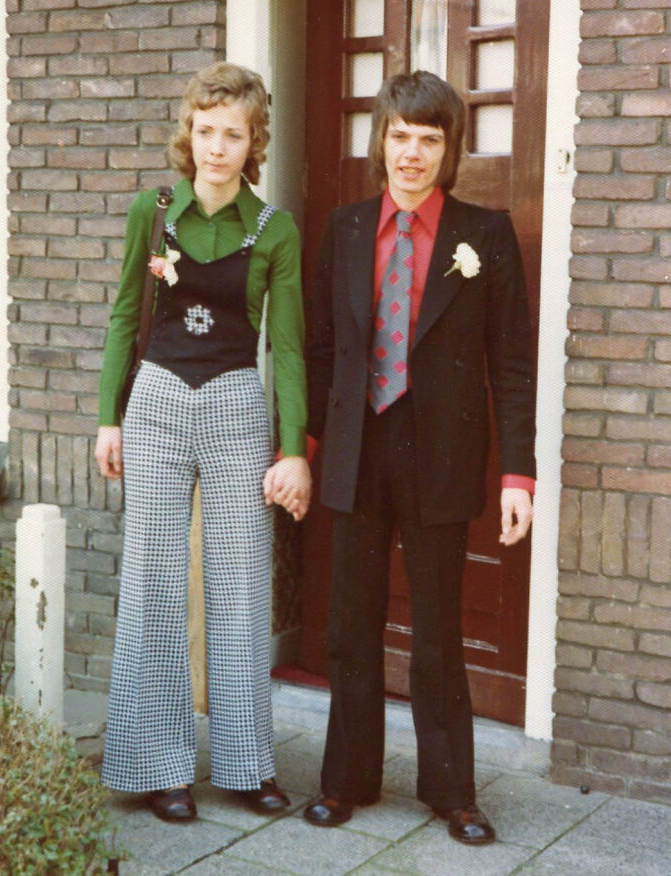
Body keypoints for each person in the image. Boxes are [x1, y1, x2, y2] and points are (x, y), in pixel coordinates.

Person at [302, 71, 536, 845]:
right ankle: (345, 780)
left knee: (438, 631)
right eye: (399, 136)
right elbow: (321, 348)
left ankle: (452, 792)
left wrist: (518, 474)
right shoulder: (342, 228)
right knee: (350, 623)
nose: (411, 153)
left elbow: (512, 364)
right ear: (381, 141)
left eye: (428, 139)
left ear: (449, 149)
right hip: (356, 450)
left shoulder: (486, 235)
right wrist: (302, 450)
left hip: (440, 455)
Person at [95, 62, 311, 822]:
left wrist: (291, 447)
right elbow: (127, 315)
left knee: (239, 581)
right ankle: (160, 765)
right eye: (207, 129)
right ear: (190, 132)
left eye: (234, 133)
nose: (217, 146)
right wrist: (108, 416)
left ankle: (247, 764)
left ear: (254, 142)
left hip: (232, 406)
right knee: (154, 579)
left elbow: (286, 346)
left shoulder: (271, 227)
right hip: (154, 400)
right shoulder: (150, 212)